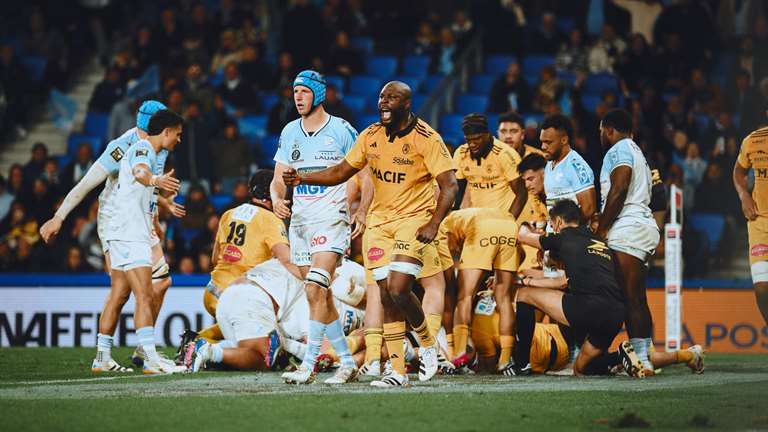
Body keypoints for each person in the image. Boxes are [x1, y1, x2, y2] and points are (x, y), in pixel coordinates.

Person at [282, 81, 458, 387]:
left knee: (399, 288)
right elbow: (341, 172)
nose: (383, 102)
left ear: (407, 104)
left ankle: (428, 344)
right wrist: (303, 178)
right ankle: (398, 372)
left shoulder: (426, 138)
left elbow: (450, 185)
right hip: (379, 223)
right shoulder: (371, 135)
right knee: (386, 295)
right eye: (381, 97)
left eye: (392, 98)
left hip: (412, 220)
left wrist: (434, 223)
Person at [39, 100, 184, 373]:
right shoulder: (123, 147)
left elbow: (146, 185)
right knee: (130, 291)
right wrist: (59, 217)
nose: (177, 138)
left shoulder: (159, 146)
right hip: (117, 220)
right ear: (161, 128)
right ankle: (141, 352)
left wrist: (157, 211)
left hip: (138, 218)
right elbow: (87, 184)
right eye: (174, 131)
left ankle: (123, 353)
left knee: (155, 283)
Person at [271, 70, 372, 385]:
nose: (297, 97)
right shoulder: (290, 131)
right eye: (294, 92)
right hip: (300, 222)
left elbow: (366, 177)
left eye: (303, 91)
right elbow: (278, 178)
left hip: (332, 218)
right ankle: (346, 362)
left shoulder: (342, 130)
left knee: (314, 288)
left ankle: (308, 365)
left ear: (318, 94)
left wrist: (362, 211)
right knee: (320, 296)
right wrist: (276, 199)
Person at [103, 109, 184, 374]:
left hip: (122, 231)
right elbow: (140, 172)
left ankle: (102, 357)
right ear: (167, 131)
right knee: (145, 295)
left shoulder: (146, 151)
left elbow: (138, 184)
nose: (179, 139)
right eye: (178, 134)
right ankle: (150, 358)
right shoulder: (143, 149)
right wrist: (156, 179)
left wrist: (160, 203)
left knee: (119, 295)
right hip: (131, 235)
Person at [186, 257, 367, 372]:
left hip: (237, 299)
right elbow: (322, 353)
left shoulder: (317, 267)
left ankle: (209, 349)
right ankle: (209, 351)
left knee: (257, 352)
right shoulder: (321, 292)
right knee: (264, 360)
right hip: (252, 299)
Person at [513, 200, 630, 376]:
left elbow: (522, 236)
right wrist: (527, 280)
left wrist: (526, 224)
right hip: (615, 314)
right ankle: (619, 356)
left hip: (589, 308)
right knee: (581, 369)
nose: (553, 228)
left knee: (523, 295)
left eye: (552, 224)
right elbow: (563, 280)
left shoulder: (562, 238)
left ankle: (522, 364)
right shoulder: (598, 241)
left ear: (559, 221)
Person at [196, 170, 301, 343]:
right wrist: (312, 278)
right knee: (261, 343)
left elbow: (215, 259)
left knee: (239, 333)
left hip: (212, 290)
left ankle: (197, 340)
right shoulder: (270, 219)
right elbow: (287, 260)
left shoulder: (228, 214)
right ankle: (200, 342)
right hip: (237, 295)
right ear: (271, 192)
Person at [595, 109, 661, 374]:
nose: (600, 136)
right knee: (636, 298)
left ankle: (641, 358)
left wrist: (602, 227)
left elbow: (619, 187)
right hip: (640, 225)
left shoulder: (619, 149)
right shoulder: (637, 151)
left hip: (628, 226)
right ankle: (644, 355)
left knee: (630, 298)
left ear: (609, 129)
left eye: (601, 131)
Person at [442, 208, 519, 373]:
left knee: (464, 296)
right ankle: (505, 359)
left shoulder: (445, 225)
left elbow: (449, 245)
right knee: (504, 297)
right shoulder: (464, 217)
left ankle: (460, 352)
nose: (455, 251)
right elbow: (522, 253)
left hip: (482, 227)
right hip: (510, 224)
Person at [734, 107, 768, 325]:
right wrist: (744, 195)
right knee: (762, 289)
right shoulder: (752, 141)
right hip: (760, 223)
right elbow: (738, 171)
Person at [540, 114, 596, 221]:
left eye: (548, 142)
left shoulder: (576, 166)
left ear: (564, 140)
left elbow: (588, 208)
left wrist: (568, 229)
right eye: (542, 141)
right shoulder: (549, 164)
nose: (543, 147)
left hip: (569, 231)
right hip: (553, 229)